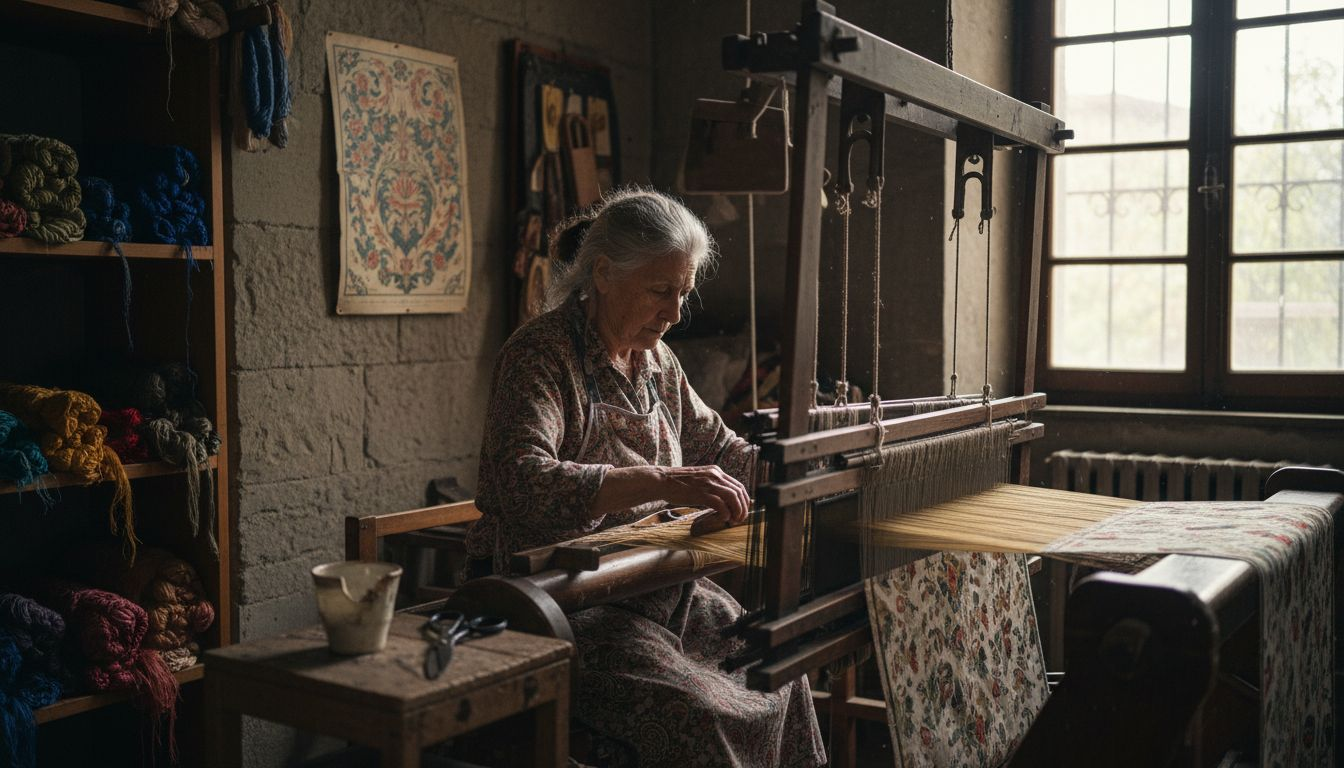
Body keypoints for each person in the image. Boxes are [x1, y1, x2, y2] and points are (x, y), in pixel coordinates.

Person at [466, 187, 826, 767]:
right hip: (564, 608)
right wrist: (664, 480)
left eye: (683, 292)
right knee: (699, 716)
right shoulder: (542, 354)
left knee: (780, 671)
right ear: (604, 274)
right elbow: (520, 480)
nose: (676, 313)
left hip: (655, 589)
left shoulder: (657, 362)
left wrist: (815, 476)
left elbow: (720, 448)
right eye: (661, 291)